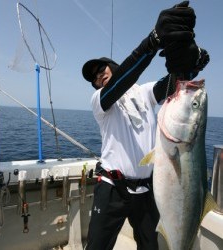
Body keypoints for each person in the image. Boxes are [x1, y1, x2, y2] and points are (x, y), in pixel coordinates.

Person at [82, 2, 209, 250]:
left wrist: (191, 65)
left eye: (102, 69)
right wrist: (152, 41)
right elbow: (122, 80)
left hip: (146, 190)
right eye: (94, 78)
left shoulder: (143, 93)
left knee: (150, 246)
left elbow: (172, 83)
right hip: (112, 189)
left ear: (114, 66)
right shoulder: (100, 102)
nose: (99, 76)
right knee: (97, 247)